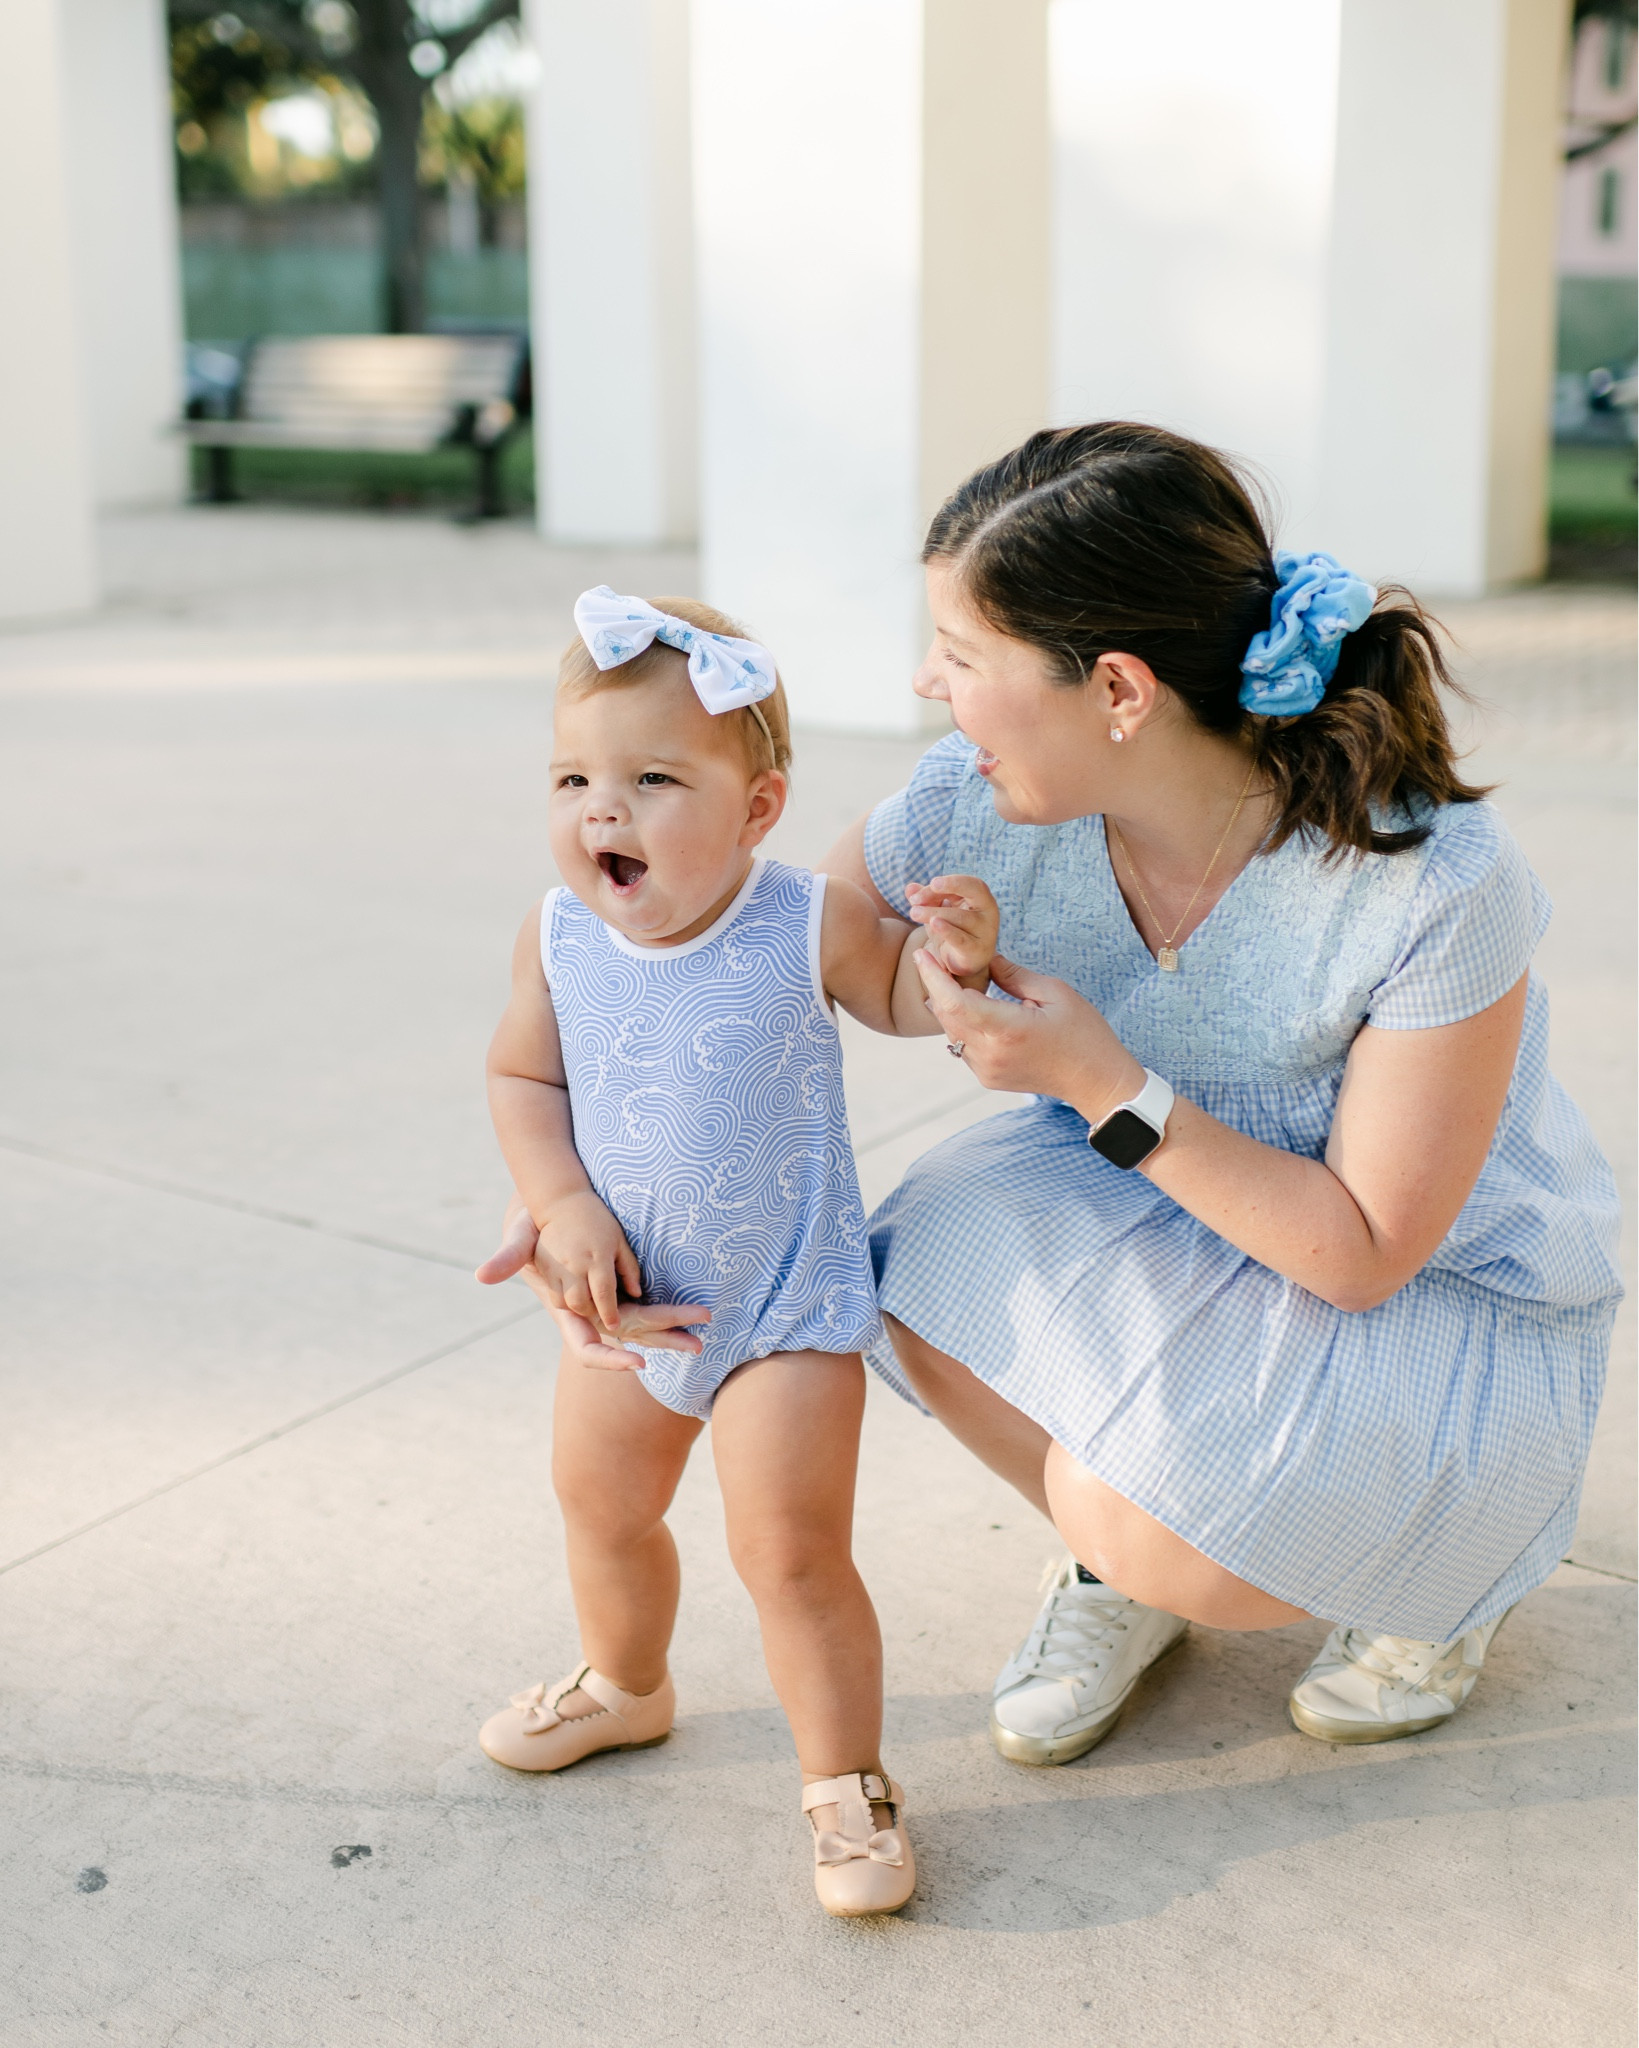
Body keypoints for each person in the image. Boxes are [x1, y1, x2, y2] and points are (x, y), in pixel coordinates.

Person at [806, 421, 1621, 1762]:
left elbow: (1363, 1252)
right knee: (917, 1256)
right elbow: (834, 939)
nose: (925, 683)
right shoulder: (984, 798)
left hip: (1430, 1291)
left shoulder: (1430, 880)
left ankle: (1433, 1587)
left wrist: (1101, 1081)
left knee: (1135, 1509)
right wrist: (928, 967)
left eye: (961, 659)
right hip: (1189, 1216)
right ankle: (1127, 1562)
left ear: (1118, 691)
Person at [474, 587, 997, 1917]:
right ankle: (626, 1684)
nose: (604, 811)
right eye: (575, 777)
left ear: (757, 809)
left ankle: (848, 1782)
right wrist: (560, 1199)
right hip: (627, 1309)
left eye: (654, 780)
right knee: (602, 1509)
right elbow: (522, 1078)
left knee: (792, 1555)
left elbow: (896, 998)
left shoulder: (796, 918)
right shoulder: (558, 936)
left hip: (781, 1316)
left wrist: (951, 960)